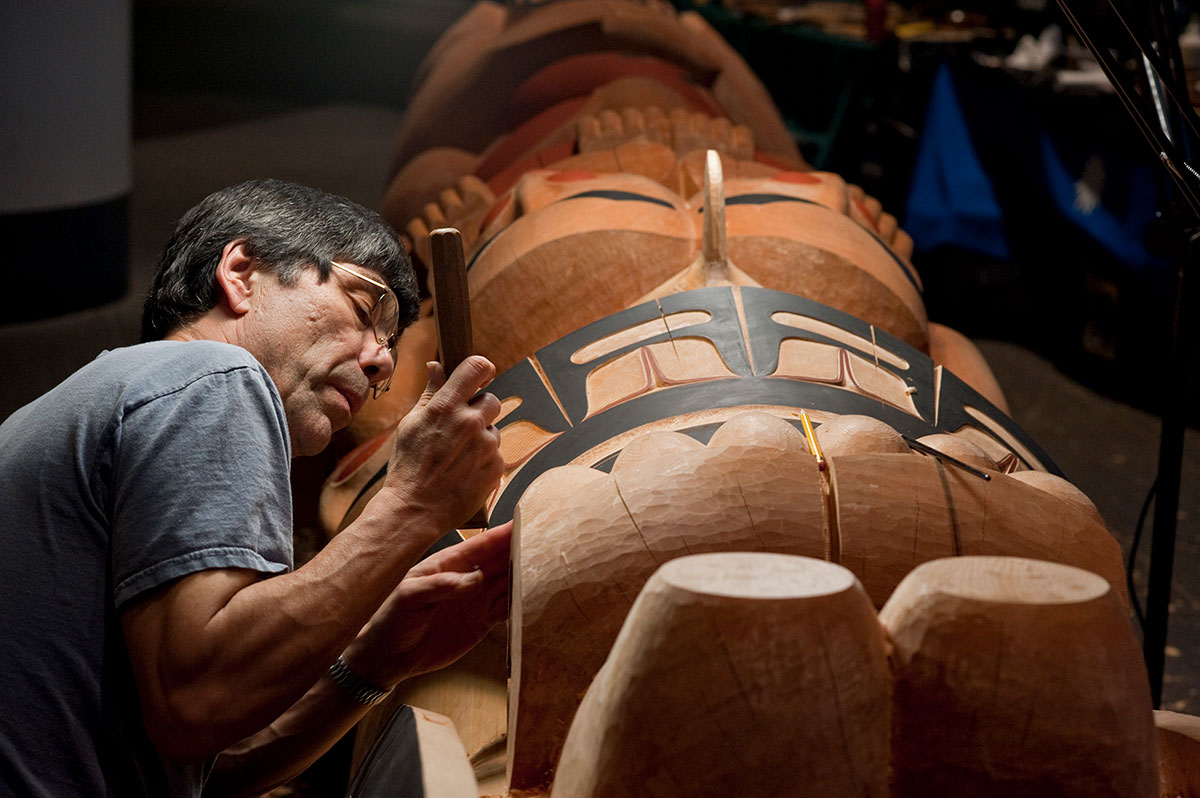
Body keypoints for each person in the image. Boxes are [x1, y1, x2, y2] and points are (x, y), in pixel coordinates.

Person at [0, 179, 508, 797]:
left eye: (391, 348)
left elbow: (205, 765)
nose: (382, 363)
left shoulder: (100, 399)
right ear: (241, 272)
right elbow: (197, 701)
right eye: (364, 308)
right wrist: (412, 504)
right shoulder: (211, 375)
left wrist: (375, 660)